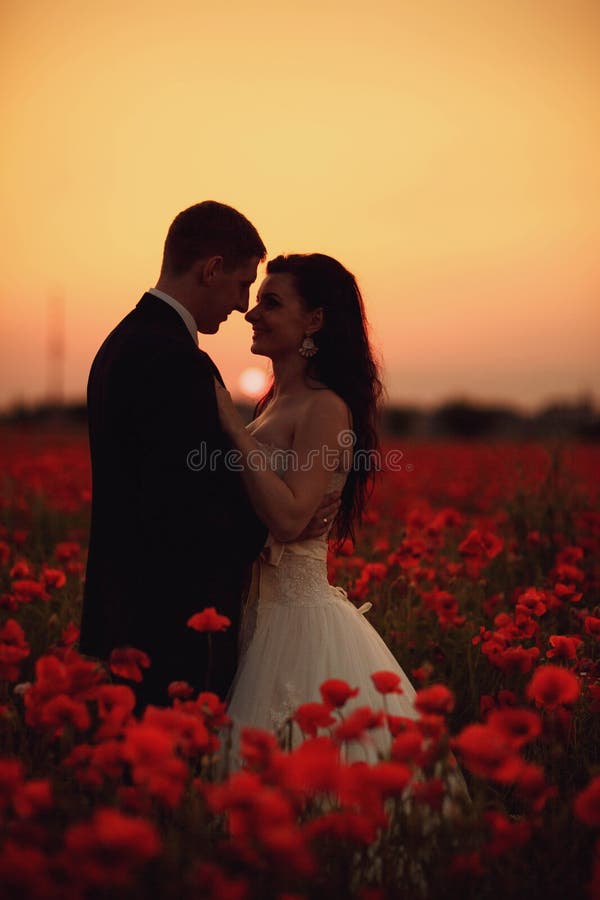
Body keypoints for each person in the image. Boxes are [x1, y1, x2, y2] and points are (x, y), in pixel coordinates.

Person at [79, 203, 338, 712]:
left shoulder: (121, 342)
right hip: (170, 627)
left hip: (127, 616)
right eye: (244, 285)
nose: (244, 306)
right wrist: (282, 525)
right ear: (212, 268)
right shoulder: (176, 361)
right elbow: (187, 505)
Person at [213, 253, 424, 761]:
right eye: (257, 299)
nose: (252, 313)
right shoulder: (272, 402)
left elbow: (289, 520)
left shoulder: (324, 407)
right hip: (254, 611)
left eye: (271, 302)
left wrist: (232, 430)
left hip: (296, 621)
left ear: (315, 321)